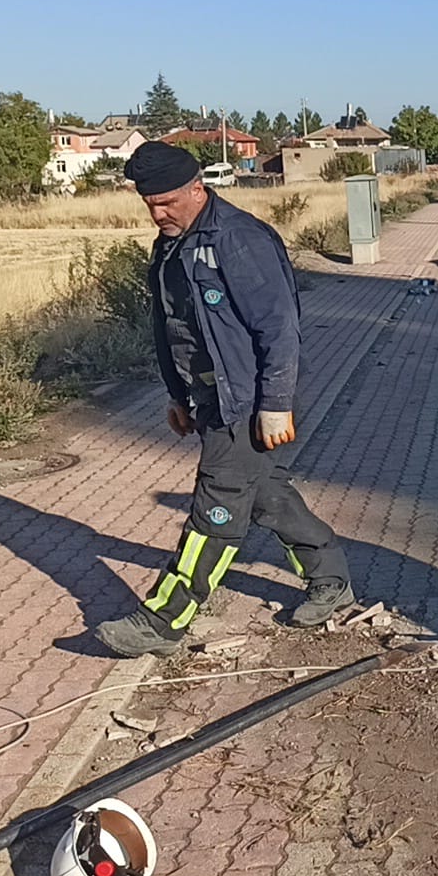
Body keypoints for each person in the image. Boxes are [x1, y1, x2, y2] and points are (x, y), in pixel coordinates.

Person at [93, 142, 354, 658]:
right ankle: (331, 580)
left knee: (215, 509)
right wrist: (175, 394)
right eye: (148, 203)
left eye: (167, 201)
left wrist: (276, 402)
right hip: (207, 396)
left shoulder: (239, 241)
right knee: (264, 496)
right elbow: (169, 327)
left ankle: (164, 620)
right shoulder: (171, 244)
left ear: (198, 188)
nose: (157, 213)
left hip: (248, 398)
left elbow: (280, 328)